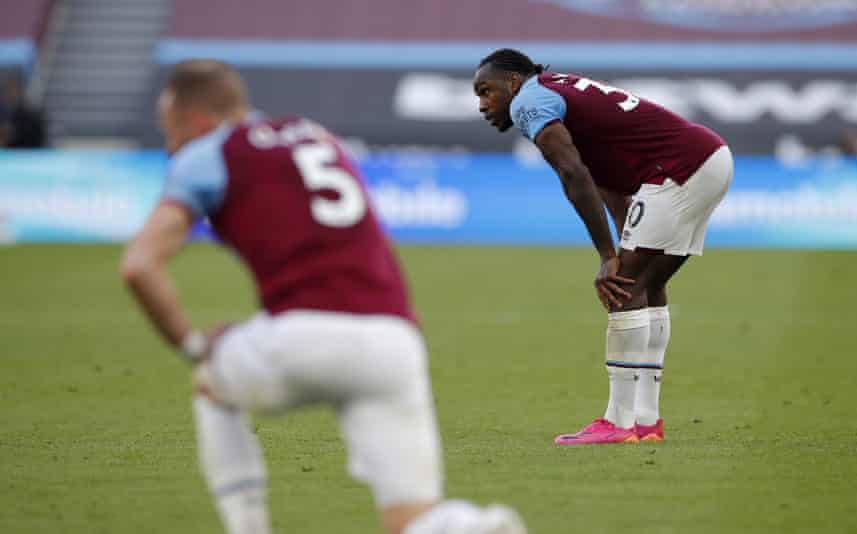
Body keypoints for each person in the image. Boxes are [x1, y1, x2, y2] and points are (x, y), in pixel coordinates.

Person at [120, 59, 525, 534]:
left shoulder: (209, 152)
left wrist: (192, 347)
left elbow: (139, 264)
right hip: (394, 340)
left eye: (170, 132)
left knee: (211, 382)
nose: (170, 147)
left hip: (303, 334)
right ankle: (476, 526)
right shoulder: (313, 134)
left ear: (197, 122)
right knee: (410, 521)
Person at [473, 49, 732, 445]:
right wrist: (623, 243)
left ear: (512, 82)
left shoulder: (528, 101)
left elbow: (573, 173)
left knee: (621, 285)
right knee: (647, 285)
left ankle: (618, 421)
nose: (482, 105)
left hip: (676, 169)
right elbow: (606, 181)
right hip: (707, 158)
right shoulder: (558, 91)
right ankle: (645, 421)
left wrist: (609, 257)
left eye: (486, 91)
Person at [1, 77, 47, 148]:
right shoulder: (4, 113)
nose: (12, 94)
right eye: (9, 91)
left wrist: (13, 134)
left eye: (14, 90)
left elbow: (37, 140)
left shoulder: (32, 115)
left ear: (21, 92)